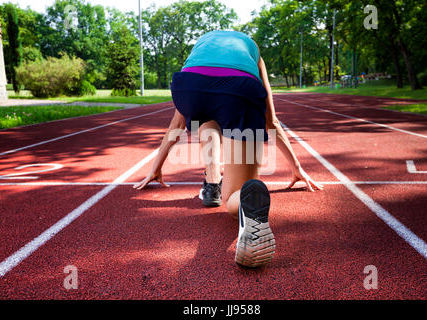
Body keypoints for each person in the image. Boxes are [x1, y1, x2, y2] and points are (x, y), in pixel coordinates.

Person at [134, 30, 323, 268]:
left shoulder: (202, 45)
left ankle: (212, 180)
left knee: (204, 116)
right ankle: (243, 201)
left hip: (189, 86)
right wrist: (296, 168)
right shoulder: (252, 50)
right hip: (238, 89)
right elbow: (271, 120)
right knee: (236, 193)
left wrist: (156, 167)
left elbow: (177, 124)